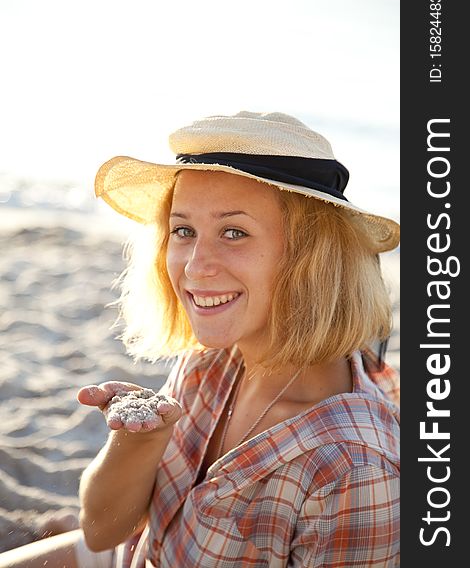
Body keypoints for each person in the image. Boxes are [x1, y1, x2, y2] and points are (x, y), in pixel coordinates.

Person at [0, 111, 400, 568]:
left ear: (312, 259)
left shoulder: (352, 471)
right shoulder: (214, 361)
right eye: (184, 230)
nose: (193, 266)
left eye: (234, 232)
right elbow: (104, 529)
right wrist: (141, 441)